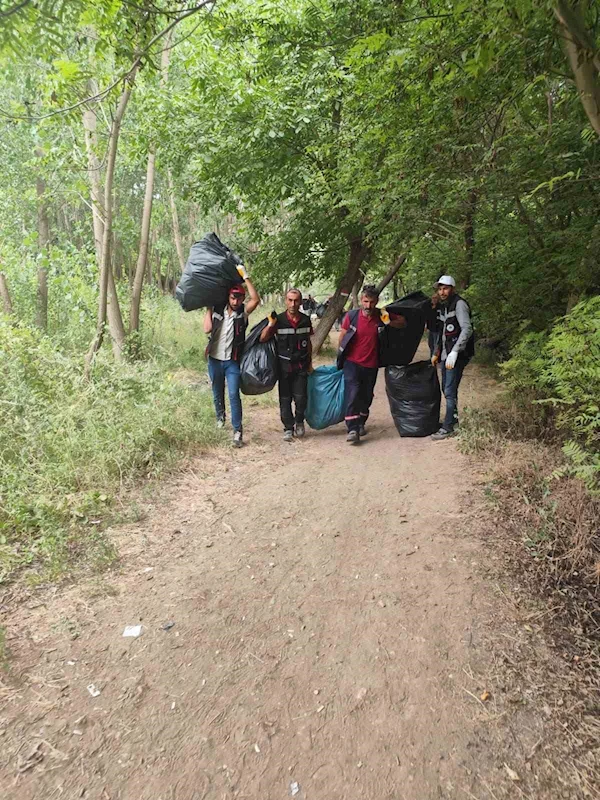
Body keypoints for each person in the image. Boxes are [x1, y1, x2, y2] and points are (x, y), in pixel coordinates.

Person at [338, 284, 406, 445]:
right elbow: (342, 336)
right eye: (366, 301)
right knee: (353, 393)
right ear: (361, 300)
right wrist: (342, 357)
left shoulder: (381, 315)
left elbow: (403, 323)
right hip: (352, 363)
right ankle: (353, 429)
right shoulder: (351, 316)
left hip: (371, 364)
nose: (368, 306)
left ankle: (361, 422)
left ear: (377, 301)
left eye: (372, 302)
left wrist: (389, 322)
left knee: (366, 396)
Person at [204, 266, 261, 448]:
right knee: (216, 391)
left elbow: (256, 299)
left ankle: (237, 430)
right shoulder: (218, 310)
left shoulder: (242, 314)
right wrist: (208, 309)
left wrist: (245, 276)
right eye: (233, 297)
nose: (236, 301)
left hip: (232, 362)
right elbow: (207, 329)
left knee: (233, 394)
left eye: (239, 298)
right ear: (228, 297)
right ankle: (220, 417)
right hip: (214, 359)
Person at [260, 288, 313, 441]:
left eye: (296, 300)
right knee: (285, 399)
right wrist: (270, 324)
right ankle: (288, 428)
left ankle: (299, 421)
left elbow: (308, 342)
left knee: (301, 398)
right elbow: (263, 338)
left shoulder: (305, 320)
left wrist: (310, 363)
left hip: (301, 366)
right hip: (283, 367)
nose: (293, 304)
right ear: (285, 301)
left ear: (301, 302)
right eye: (290, 300)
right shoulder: (279, 320)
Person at [430, 275, 474, 441]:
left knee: (449, 390)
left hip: (456, 355)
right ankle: (452, 420)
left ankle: (448, 427)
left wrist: (455, 352)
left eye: (445, 288)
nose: (442, 292)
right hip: (445, 355)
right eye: (440, 289)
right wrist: (436, 352)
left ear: (452, 289)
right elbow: (441, 333)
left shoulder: (459, 304)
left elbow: (466, 329)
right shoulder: (444, 307)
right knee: (447, 389)